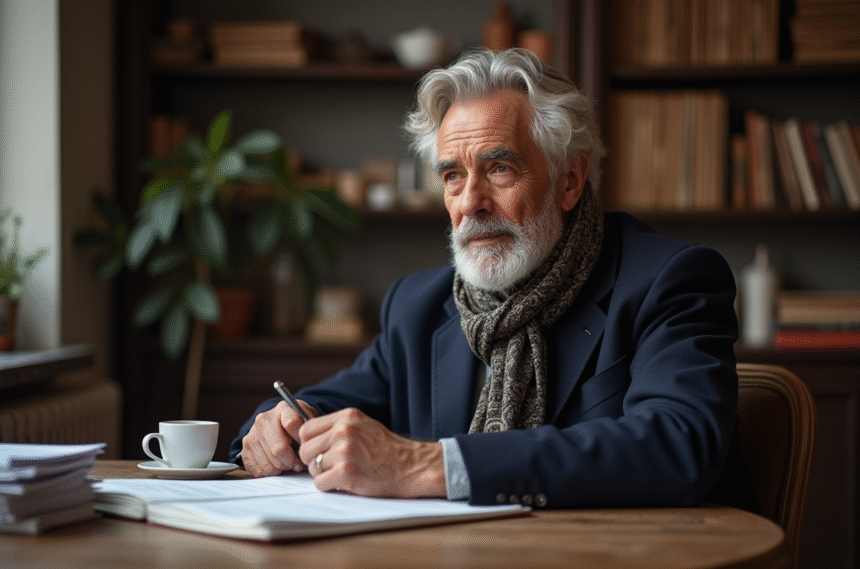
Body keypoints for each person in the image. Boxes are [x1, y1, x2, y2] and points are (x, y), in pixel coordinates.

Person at [230, 48, 754, 510]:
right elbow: (325, 406)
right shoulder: (419, 304)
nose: (471, 203)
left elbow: (677, 447)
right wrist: (279, 426)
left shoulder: (669, 280)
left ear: (570, 181)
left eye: (499, 169)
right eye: (453, 176)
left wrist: (427, 466)